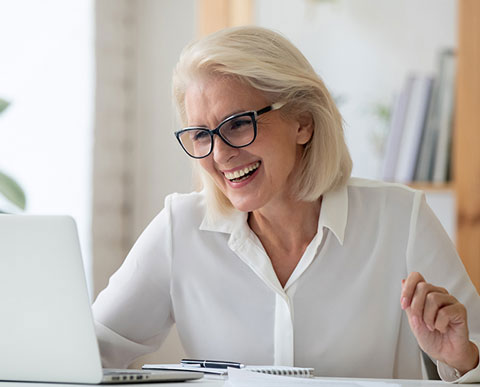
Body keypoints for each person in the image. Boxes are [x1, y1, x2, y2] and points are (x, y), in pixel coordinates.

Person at [92, 26, 480, 382]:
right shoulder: (180, 228)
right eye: (201, 134)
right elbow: (90, 349)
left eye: (239, 123)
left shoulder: (400, 219)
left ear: (303, 122)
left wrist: (463, 360)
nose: (220, 154)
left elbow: (471, 348)